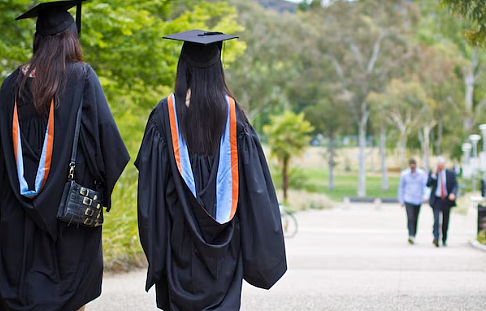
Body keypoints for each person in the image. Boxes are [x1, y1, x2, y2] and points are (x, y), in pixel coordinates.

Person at [135, 29, 287, 311]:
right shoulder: (234, 115)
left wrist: (156, 246)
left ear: (184, 67)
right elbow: (255, 188)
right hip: (225, 243)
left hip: (176, 243)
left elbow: (150, 187)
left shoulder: (163, 114)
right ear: (218, 69)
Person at [0, 2, 129, 311]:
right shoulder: (81, 78)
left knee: (21, 287)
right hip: (66, 214)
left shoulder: (9, 85)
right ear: (70, 38)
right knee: (67, 295)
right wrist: (101, 188)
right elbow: (107, 143)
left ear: (38, 38)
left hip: (14, 211)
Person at [427, 157, 458, 247]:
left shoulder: (450, 174)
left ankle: (444, 238)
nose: (440, 166)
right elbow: (428, 184)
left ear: (444, 164)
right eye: (438, 164)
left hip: (446, 200)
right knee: (436, 220)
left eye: (442, 164)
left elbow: (455, 185)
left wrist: (453, 193)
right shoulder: (433, 173)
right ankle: (436, 238)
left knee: (445, 221)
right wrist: (433, 175)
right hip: (436, 200)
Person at [398, 158, 427, 244]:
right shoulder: (405, 174)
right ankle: (410, 234)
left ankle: (414, 234)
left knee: (415, 218)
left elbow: (425, 186)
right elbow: (401, 188)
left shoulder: (421, 174)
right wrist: (401, 200)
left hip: (418, 199)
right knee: (410, 217)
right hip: (408, 199)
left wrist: (425, 195)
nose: (412, 168)